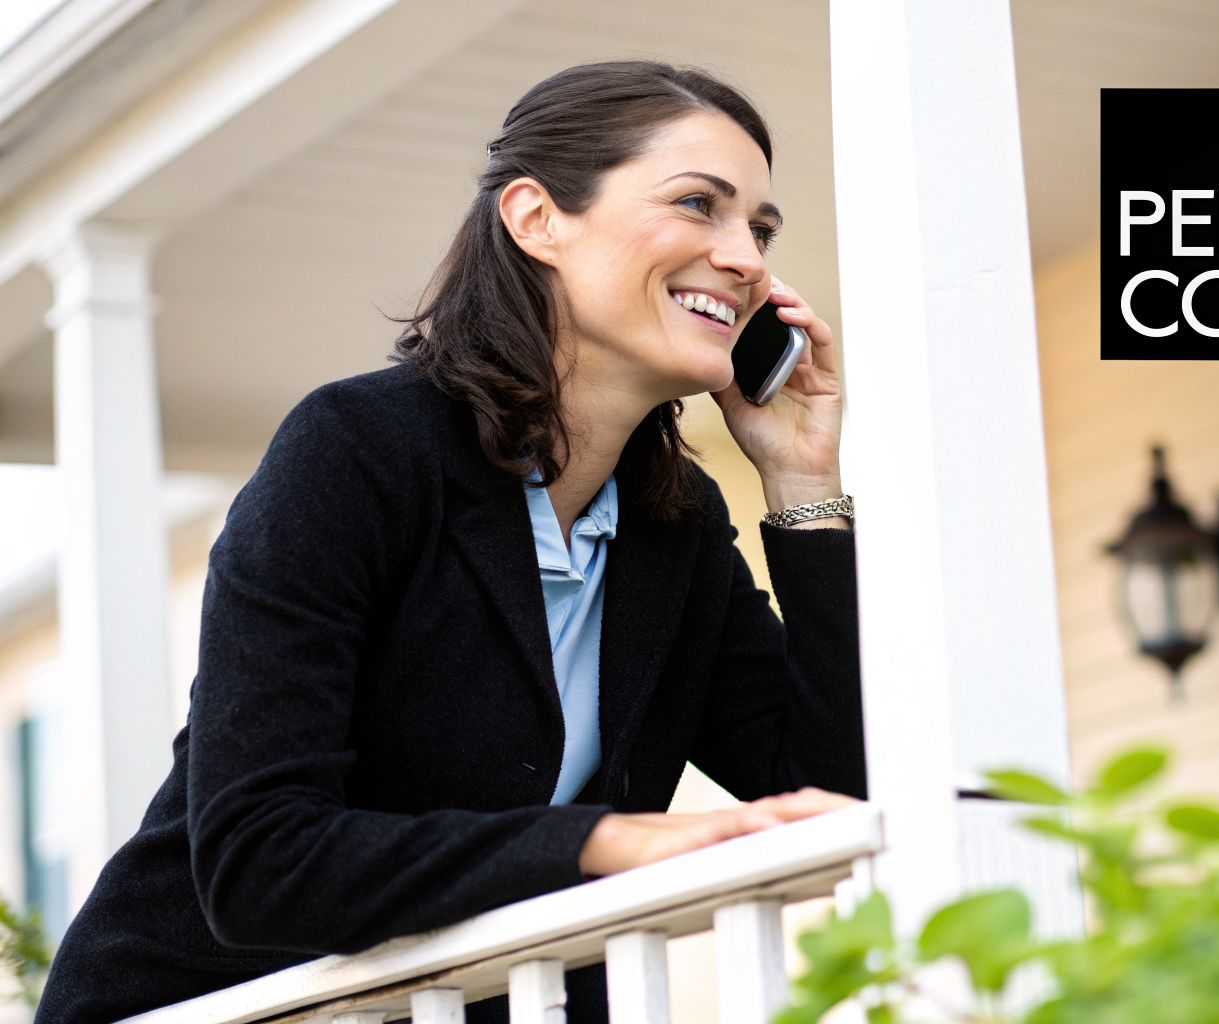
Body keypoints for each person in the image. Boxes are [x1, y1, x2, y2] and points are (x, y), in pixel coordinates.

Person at [34, 60, 866, 1024]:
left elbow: (836, 791)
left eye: (761, 229)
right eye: (698, 205)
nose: (746, 259)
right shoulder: (358, 451)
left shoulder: (672, 525)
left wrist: (802, 487)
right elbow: (258, 860)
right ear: (536, 218)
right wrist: (602, 844)